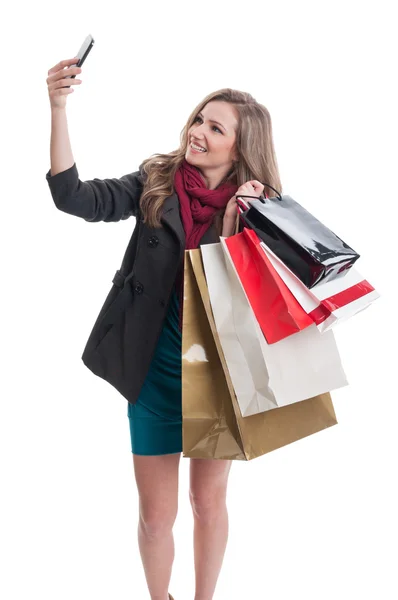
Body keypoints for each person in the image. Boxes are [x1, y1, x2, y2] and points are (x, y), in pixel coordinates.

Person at [45, 56, 282, 600]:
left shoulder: (264, 209)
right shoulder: (157, 180)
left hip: (218, 379)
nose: (198, 131)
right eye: (200, 118)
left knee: (208, 503)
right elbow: (74, 198)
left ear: (239, 148)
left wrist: (234, 225)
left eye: (215, 127)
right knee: (156, 518)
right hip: (152, 372)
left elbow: (263, 299)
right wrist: (58, 108)